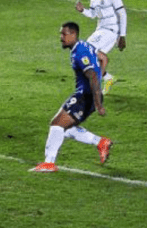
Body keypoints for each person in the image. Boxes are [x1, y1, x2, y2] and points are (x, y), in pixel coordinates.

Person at [30, 22, 112, 172]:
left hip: (85, 96)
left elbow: (92, 76)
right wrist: (100, 80)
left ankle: (49, 163)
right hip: (87, 95)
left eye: (64, 34)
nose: (61, 38)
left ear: (73, 34)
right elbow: (103, 58)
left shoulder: (80, 52)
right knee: (65, 129)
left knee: (56, 125)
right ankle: (101, 142)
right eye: (60, 34)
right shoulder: (85, 45)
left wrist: (98, 103)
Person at [74, 0, 126, 95]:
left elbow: (122, 13)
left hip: (111, 30)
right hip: (100, 29)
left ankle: (94, 88)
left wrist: (122, 35)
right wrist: (82, 10)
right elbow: (93, 14)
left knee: (86, 50)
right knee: (89, 57)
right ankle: (108, 78)